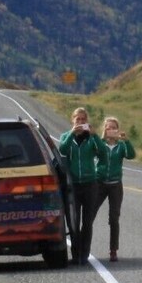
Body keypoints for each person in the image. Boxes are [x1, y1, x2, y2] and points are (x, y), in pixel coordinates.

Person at [56, 108, 108, 265]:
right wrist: (72, 132)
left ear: (87, 121)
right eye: (78, 119)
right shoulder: (66, 136)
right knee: (74, 221)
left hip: (90, 184)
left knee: (87, 222)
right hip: (73, 185)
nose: (80, 122)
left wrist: (95, 135)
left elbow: (103, 153)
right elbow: (62, 150)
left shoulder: (91, 138)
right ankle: (75, 254)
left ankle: (85, 254)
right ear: (73, 120)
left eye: (83, 119)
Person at [97, 116, 136, 262]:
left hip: (115, 185)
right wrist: (101, 138)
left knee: (114, 218)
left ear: (117, 129)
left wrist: (126, 140)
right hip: (99, 183)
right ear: (104, 129)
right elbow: (94, 150)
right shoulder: (100, 144)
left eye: (114, 127)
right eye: (108, 127)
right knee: (89, 215)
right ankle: (83, 248)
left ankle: (113, 250)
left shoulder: (120, 146)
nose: (111, 130)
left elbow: (131, 155)